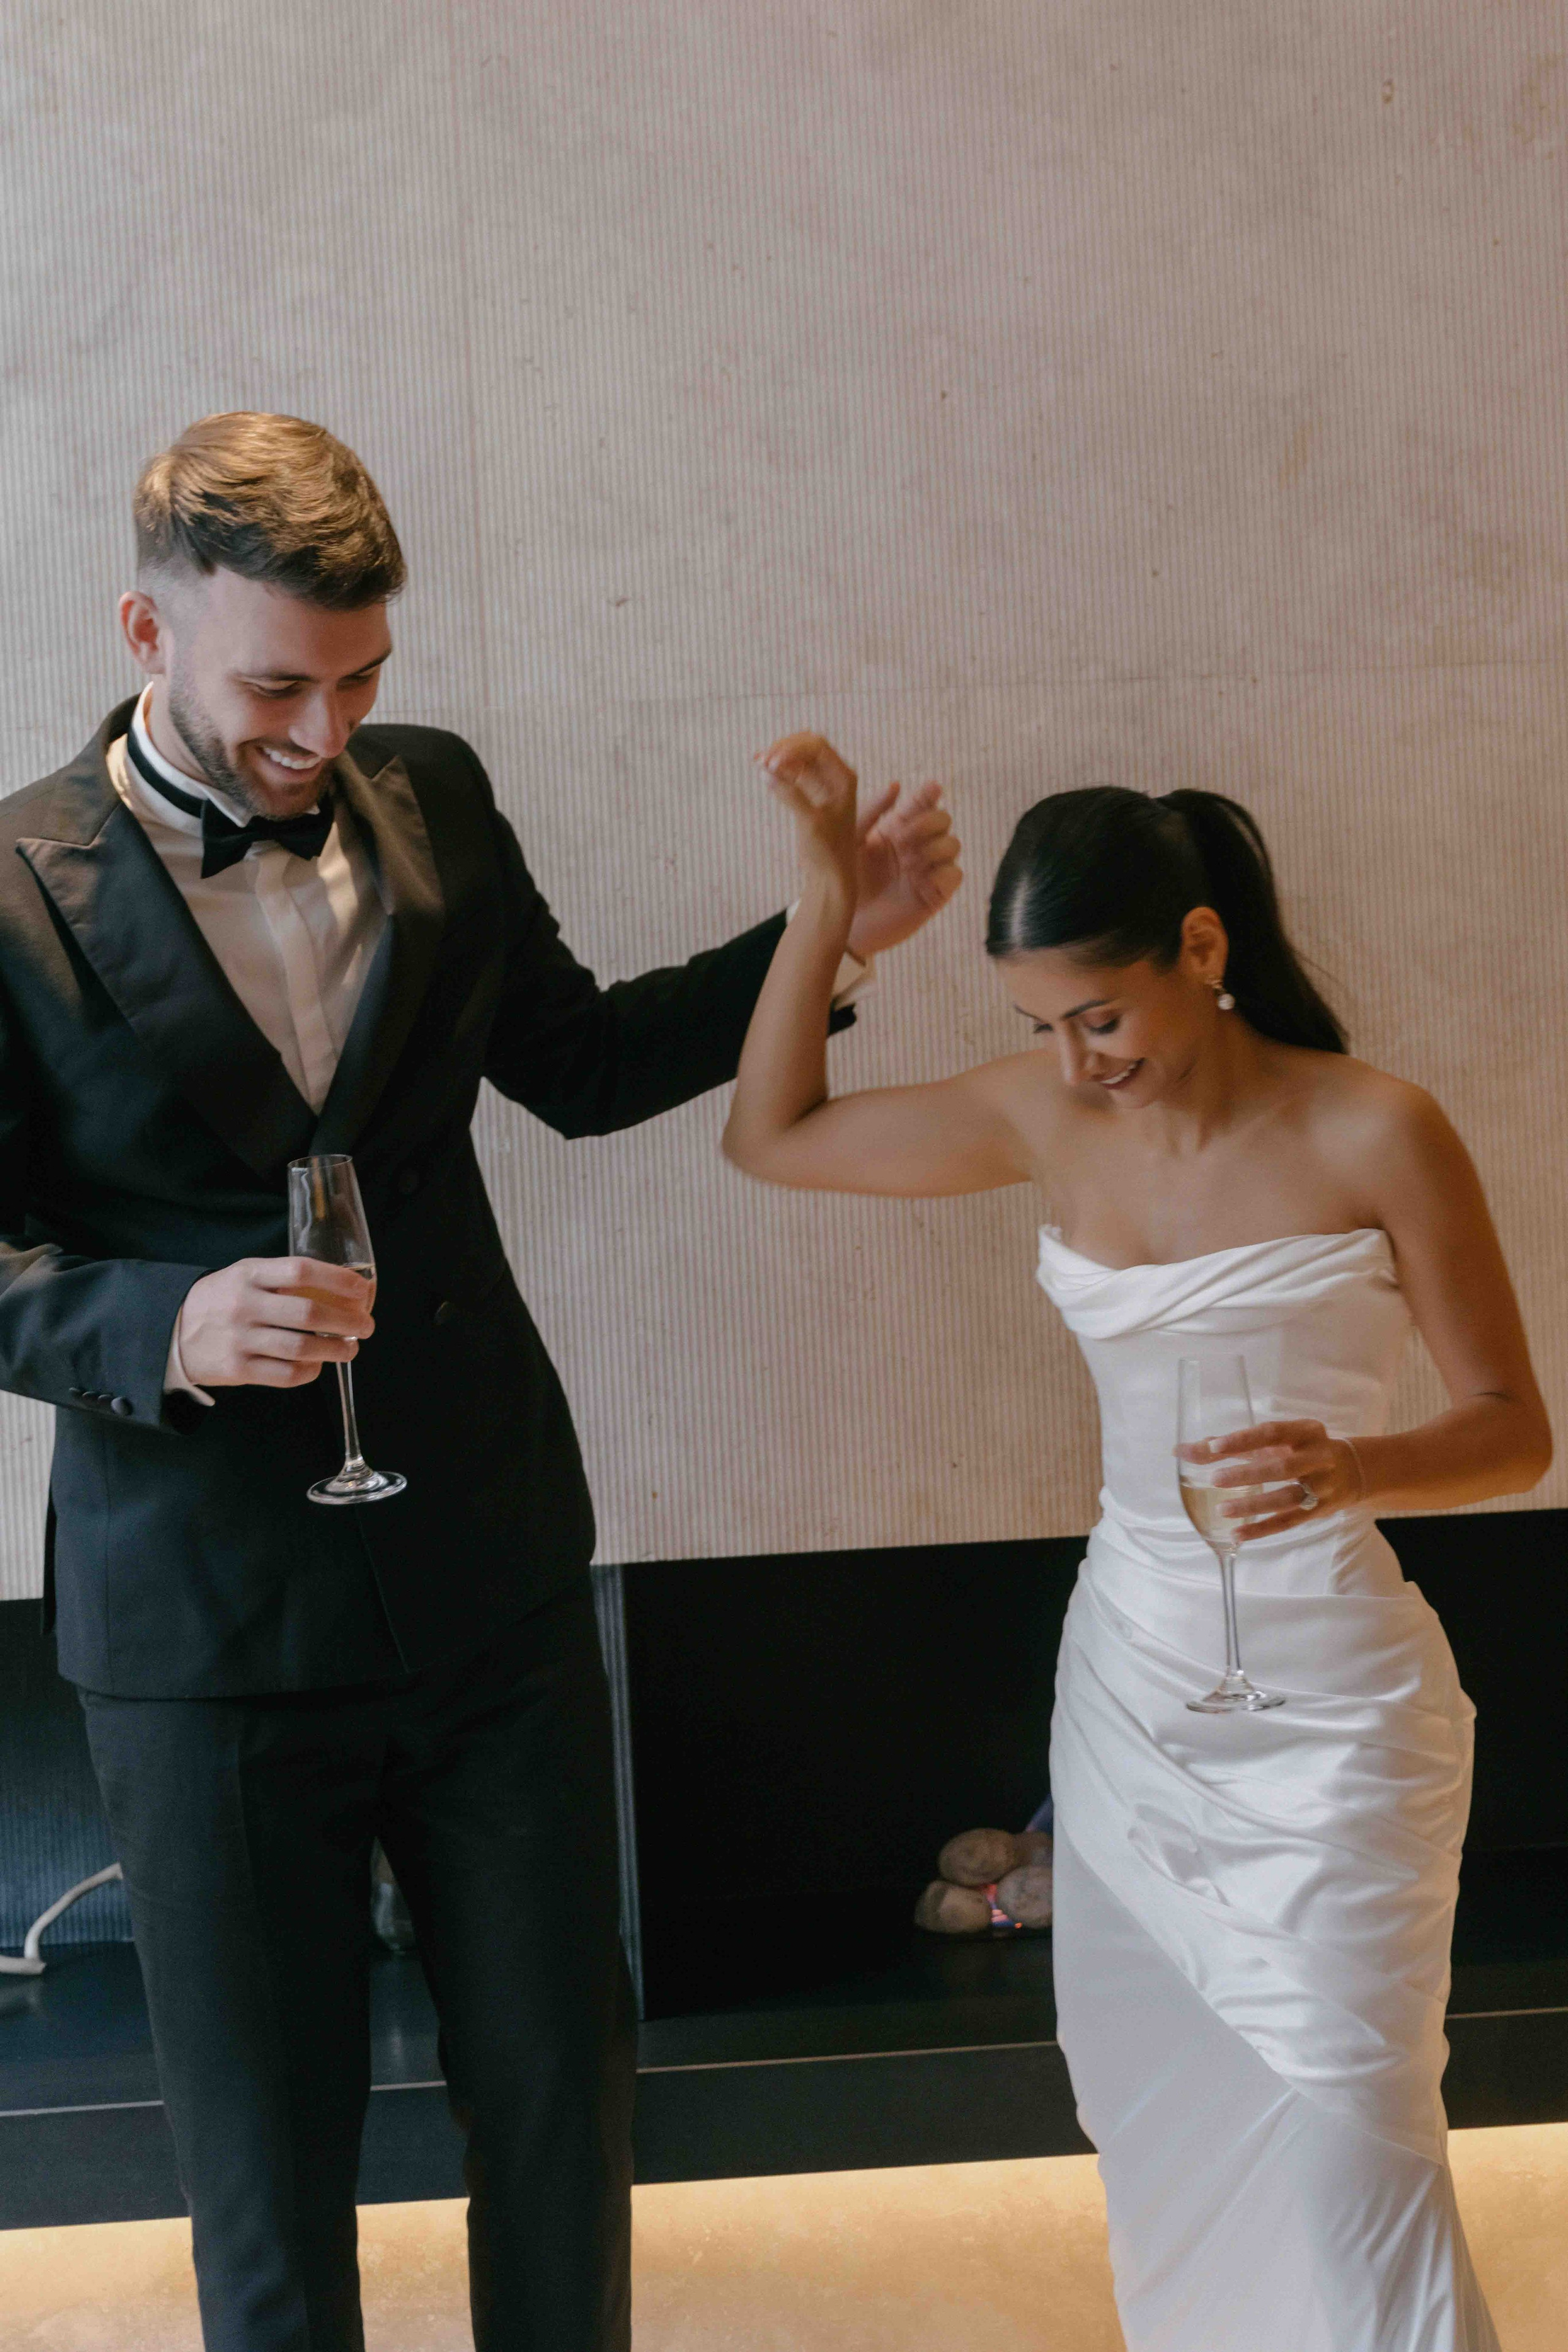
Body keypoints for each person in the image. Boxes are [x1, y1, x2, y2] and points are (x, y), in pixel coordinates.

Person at [0, 416, 962, 2352]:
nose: (324, 731)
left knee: (558, 2109)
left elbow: (584, 1064)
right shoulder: (14, 890)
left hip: (493, 1580)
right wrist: (158, 1330)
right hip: (205, 1624)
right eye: (278, 682)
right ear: (143, 627)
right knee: (268, 2173)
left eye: (361, 678)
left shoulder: (430, 797)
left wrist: (821, 941)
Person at [723, 733, 1551, 2352]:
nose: (1079, 1062)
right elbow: (773, 1136)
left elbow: (1517, 1429)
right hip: (1133, 1688)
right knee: (1158, 2124)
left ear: (1202, 948)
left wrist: (1355, 1464)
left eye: (1102, 1016)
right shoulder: (1046, 1116)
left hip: (1338, 1726)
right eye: (1041, 1029)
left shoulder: (1378, 1129)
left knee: (1353, 2145)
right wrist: (826, 902)